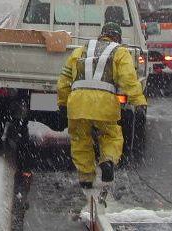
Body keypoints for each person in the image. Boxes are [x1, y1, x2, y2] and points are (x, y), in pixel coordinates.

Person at [56, 22, 147, 189]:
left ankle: (85, 176)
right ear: (118, 37)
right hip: (105, 104)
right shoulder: (120, 52)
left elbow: (64, 80)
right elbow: (128, 79)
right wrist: (138, 101)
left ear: (102, 34)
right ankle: (107, 161)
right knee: (111, 135)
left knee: (80, 138)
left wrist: (62, 103)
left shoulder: (81, 50)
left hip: (78, 103)